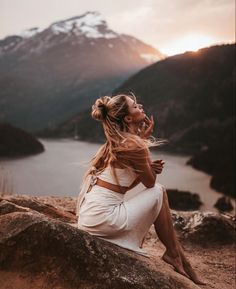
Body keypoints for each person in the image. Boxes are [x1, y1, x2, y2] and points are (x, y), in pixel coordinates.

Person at [77, 93, 205, 285]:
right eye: (135, 106)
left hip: (91, 217)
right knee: (159, 191)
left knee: (156, 194)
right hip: (104, 219)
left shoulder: (117, 143)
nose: (141, 106)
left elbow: (125, 183)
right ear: (128, 118)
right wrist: (148, 161)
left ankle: (175, 255)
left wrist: (143, 153)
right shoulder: (134, 145)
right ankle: (175, 255)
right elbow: (151, 183)